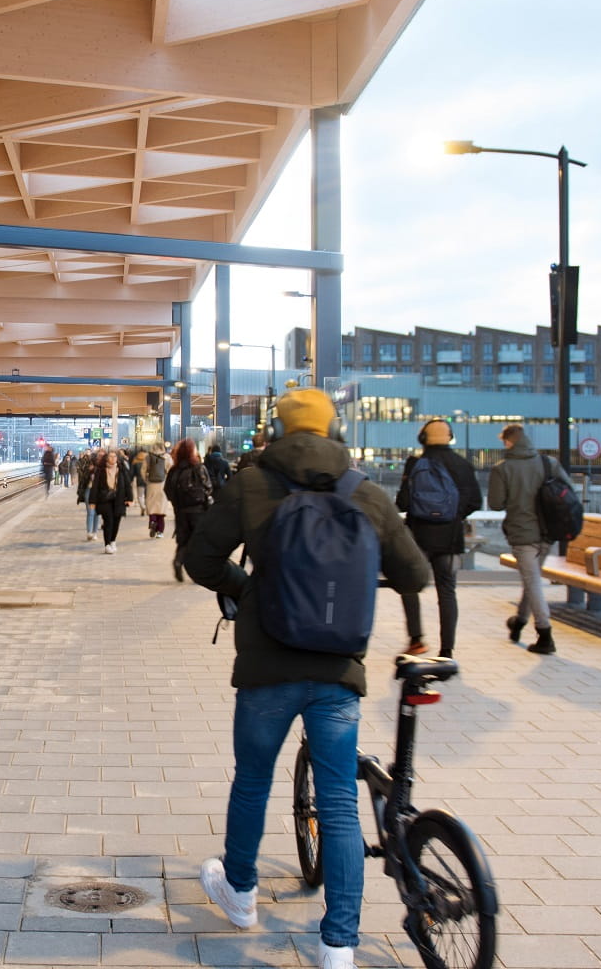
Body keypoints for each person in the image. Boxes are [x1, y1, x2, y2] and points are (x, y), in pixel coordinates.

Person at [182, 389, 431, 969]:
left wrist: (251, 591)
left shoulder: (249, 483)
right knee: (340, 802)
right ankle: (337, 946)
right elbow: (416, 573)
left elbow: (200, 561)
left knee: (253, 779)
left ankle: (240, 894)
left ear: (279, 429)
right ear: (333, 429)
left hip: (268, 668)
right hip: (338, 668)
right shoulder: (363, 490)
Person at [395, 418, 481, 657]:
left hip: (418, 537)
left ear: (423, 439)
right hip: (450, 538)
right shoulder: (462, 465)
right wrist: (453, 514)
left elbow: (402, 503)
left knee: (409, 585)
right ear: (450, 437)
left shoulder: (415, 465)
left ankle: (416, 639)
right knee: (446, 591)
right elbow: (475, 501)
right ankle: (447, 651)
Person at [489, 422, 556, 655]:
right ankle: (518, 622)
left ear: (508, 441)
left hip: (523, 533)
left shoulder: (503, 468)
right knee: (532, 579)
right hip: (549, 531)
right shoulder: (549, 463)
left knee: (533, 582)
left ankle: (545, 634)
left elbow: (495, 504)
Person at [163, 438, 212, 583]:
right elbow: (208, 487)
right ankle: (197, 572)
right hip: (198, 511)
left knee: (183, 540)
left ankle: (178, 561)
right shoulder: (198, 467)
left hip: (180, 511)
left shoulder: (174, 470)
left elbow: (168, 490)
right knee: (198, 541)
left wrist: (176, 504)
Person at [87, 446, 134, 553]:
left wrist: (130, 498)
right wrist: (92, 501)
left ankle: (113, 541)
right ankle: (107, 544)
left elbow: (127, 484)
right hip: (105, 499)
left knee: (116, 522)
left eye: (114, 457)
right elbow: (95, 486)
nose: (113, 458)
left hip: (119, 499)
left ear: (117, 458)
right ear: (107, 458)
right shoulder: (101, 470)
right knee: (108, 521)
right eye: (110, 456)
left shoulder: (122, 470)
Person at [141, 444, 169, 537]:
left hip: (151, 484)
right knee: (161, 508)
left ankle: (153, 521)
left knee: (151, 505)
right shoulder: (166, 457)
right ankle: (160, 531)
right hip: (163, 485)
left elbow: (143, 470)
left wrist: (146, 480)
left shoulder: (148, 457)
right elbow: (170, 469)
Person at [76, 449, 100, 540]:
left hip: (98, 492)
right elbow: (82, 480)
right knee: (90, 512)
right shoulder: (87, 469)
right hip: (88, 491)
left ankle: (95, 532)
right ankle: (89, 532)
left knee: (97, 513)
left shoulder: (101, 469)